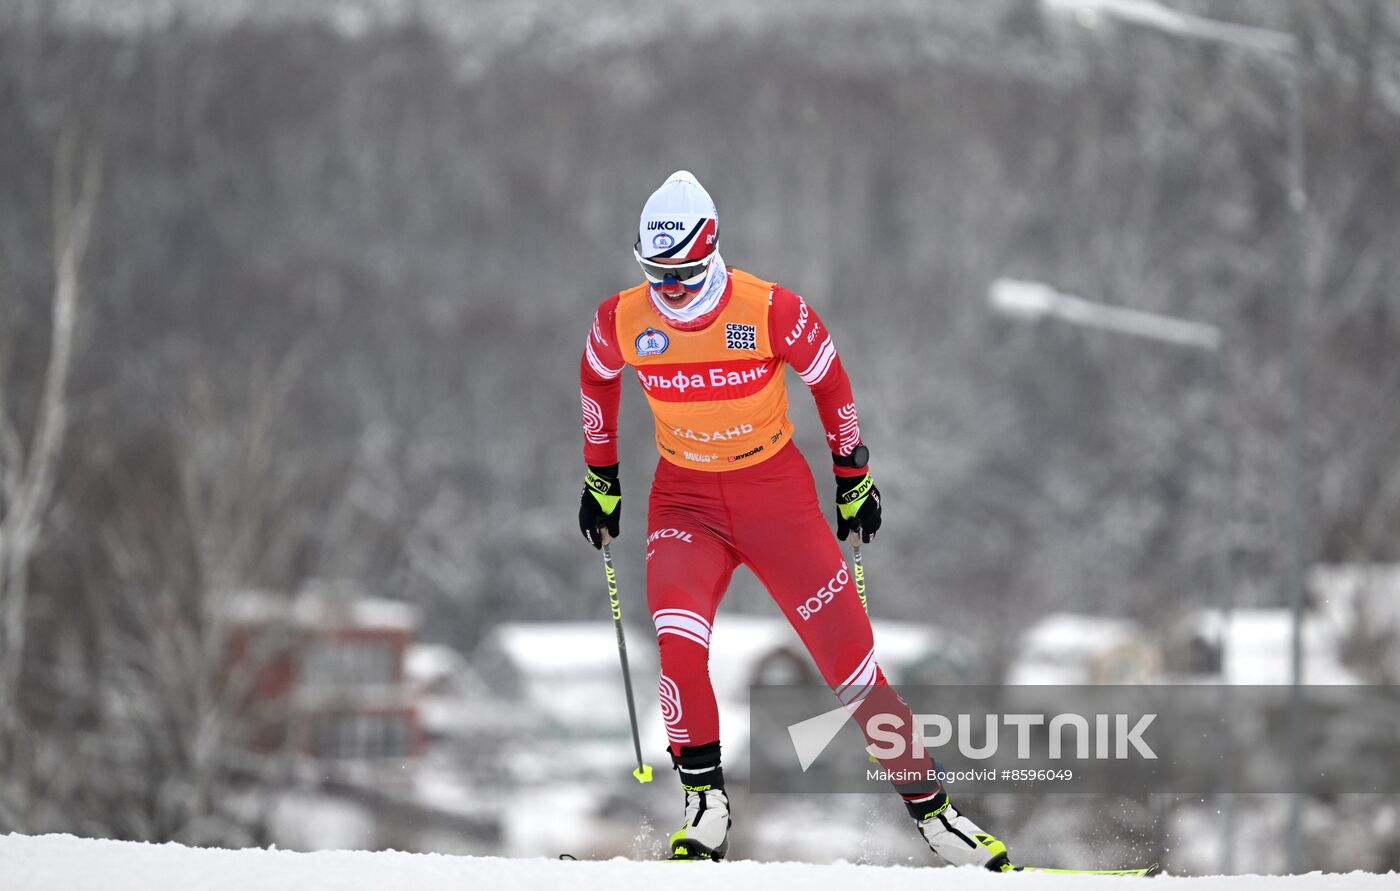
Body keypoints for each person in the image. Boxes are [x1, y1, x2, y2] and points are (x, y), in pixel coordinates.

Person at [577, 170, 1009, 867]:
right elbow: (596, 375)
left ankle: (939, 818)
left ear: (710, 249)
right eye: (657, 272)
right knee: (679, 640)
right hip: (684, 502)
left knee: (851, 666)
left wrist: (852, 476)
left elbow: (830, 379)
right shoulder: (622, 318)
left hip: (774, 499)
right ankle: (705, 806)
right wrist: (602, 474)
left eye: (684, 272)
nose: (672, 290)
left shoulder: (769, 309)